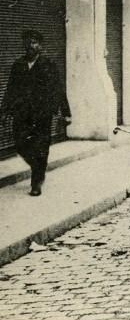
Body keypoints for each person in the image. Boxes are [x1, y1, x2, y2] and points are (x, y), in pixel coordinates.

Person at [0, 30, 71, 196]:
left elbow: (59, 90)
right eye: (27, 42)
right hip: (22, 113)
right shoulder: (18, 65)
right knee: (20, 144)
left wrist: (65, 113)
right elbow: (10, 90)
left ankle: (36, 182)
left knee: (41, 147)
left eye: (34, 42)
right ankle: (37, 167)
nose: (30, 46)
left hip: (42, 114)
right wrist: (3, 112)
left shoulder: (49, 65)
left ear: (40, 46)